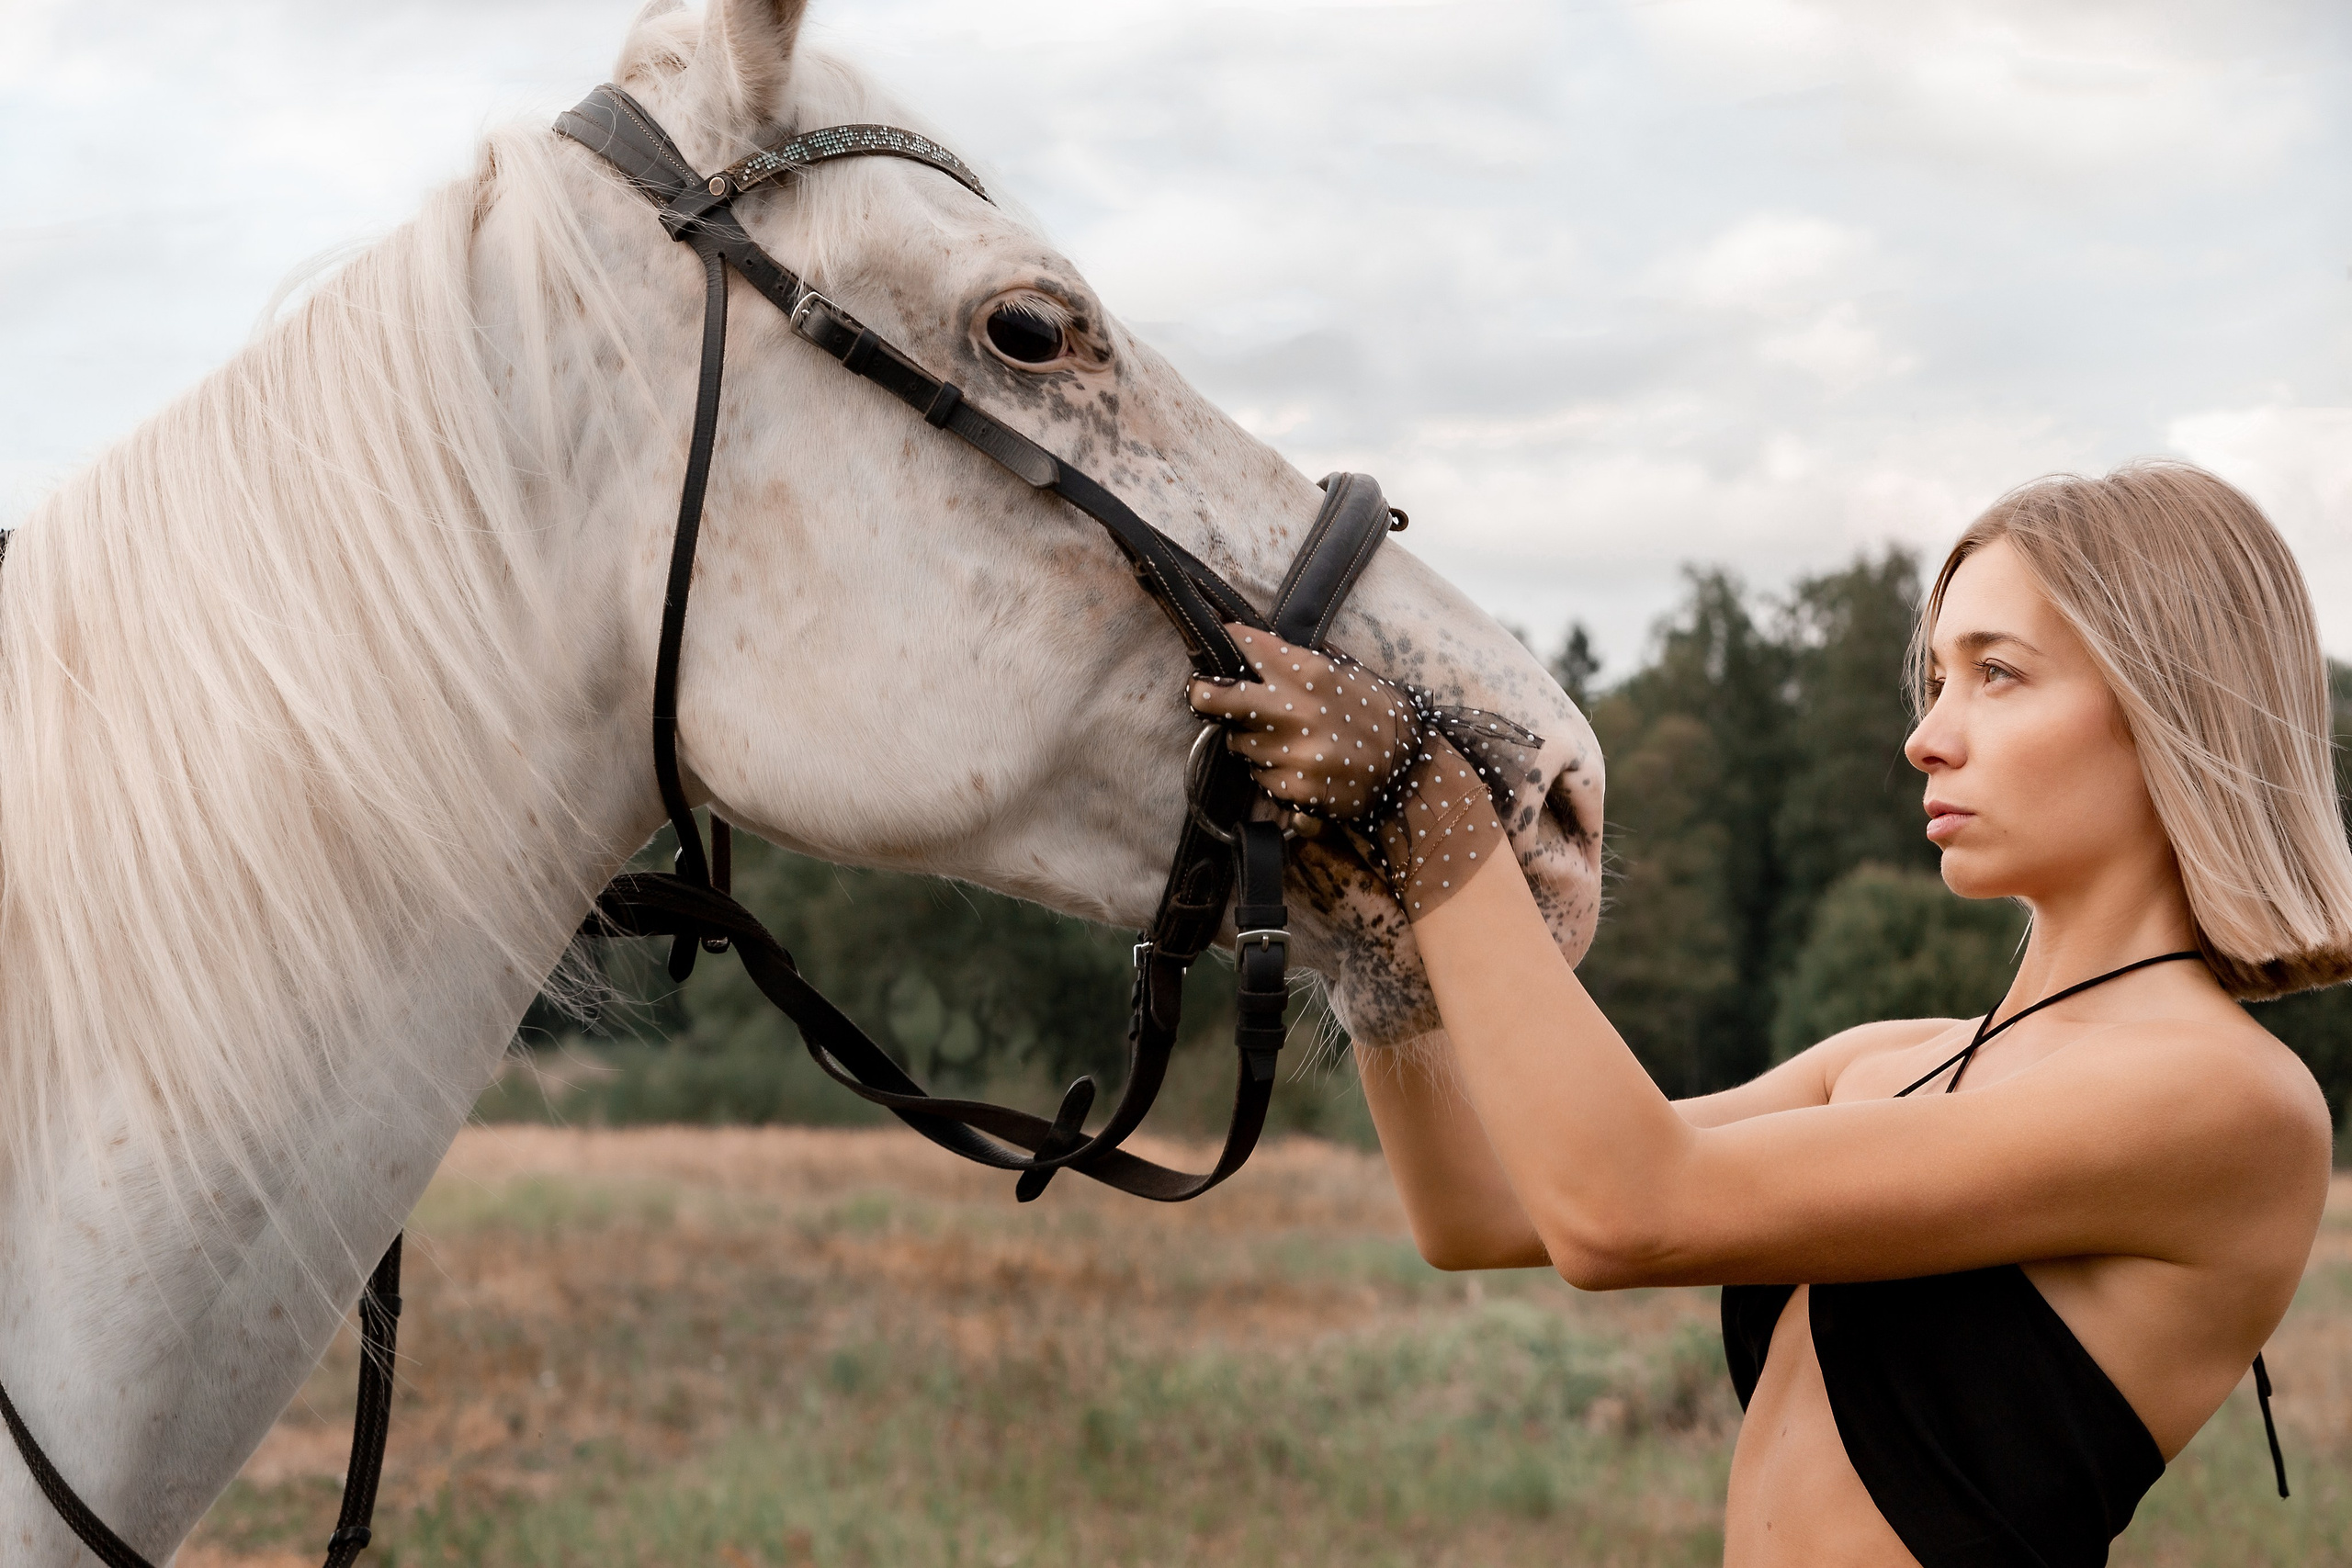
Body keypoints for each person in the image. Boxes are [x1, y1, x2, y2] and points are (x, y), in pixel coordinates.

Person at [1189, 461, 2349, 1567]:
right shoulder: (1887, 1062)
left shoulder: (2225, 1100)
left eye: (1997, 672)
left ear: (2170, 706)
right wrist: (1369, 917)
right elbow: (1485, 1210)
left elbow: (1624, 1213)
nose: (1925, 736)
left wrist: (1432, 805)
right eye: (1937, 680)